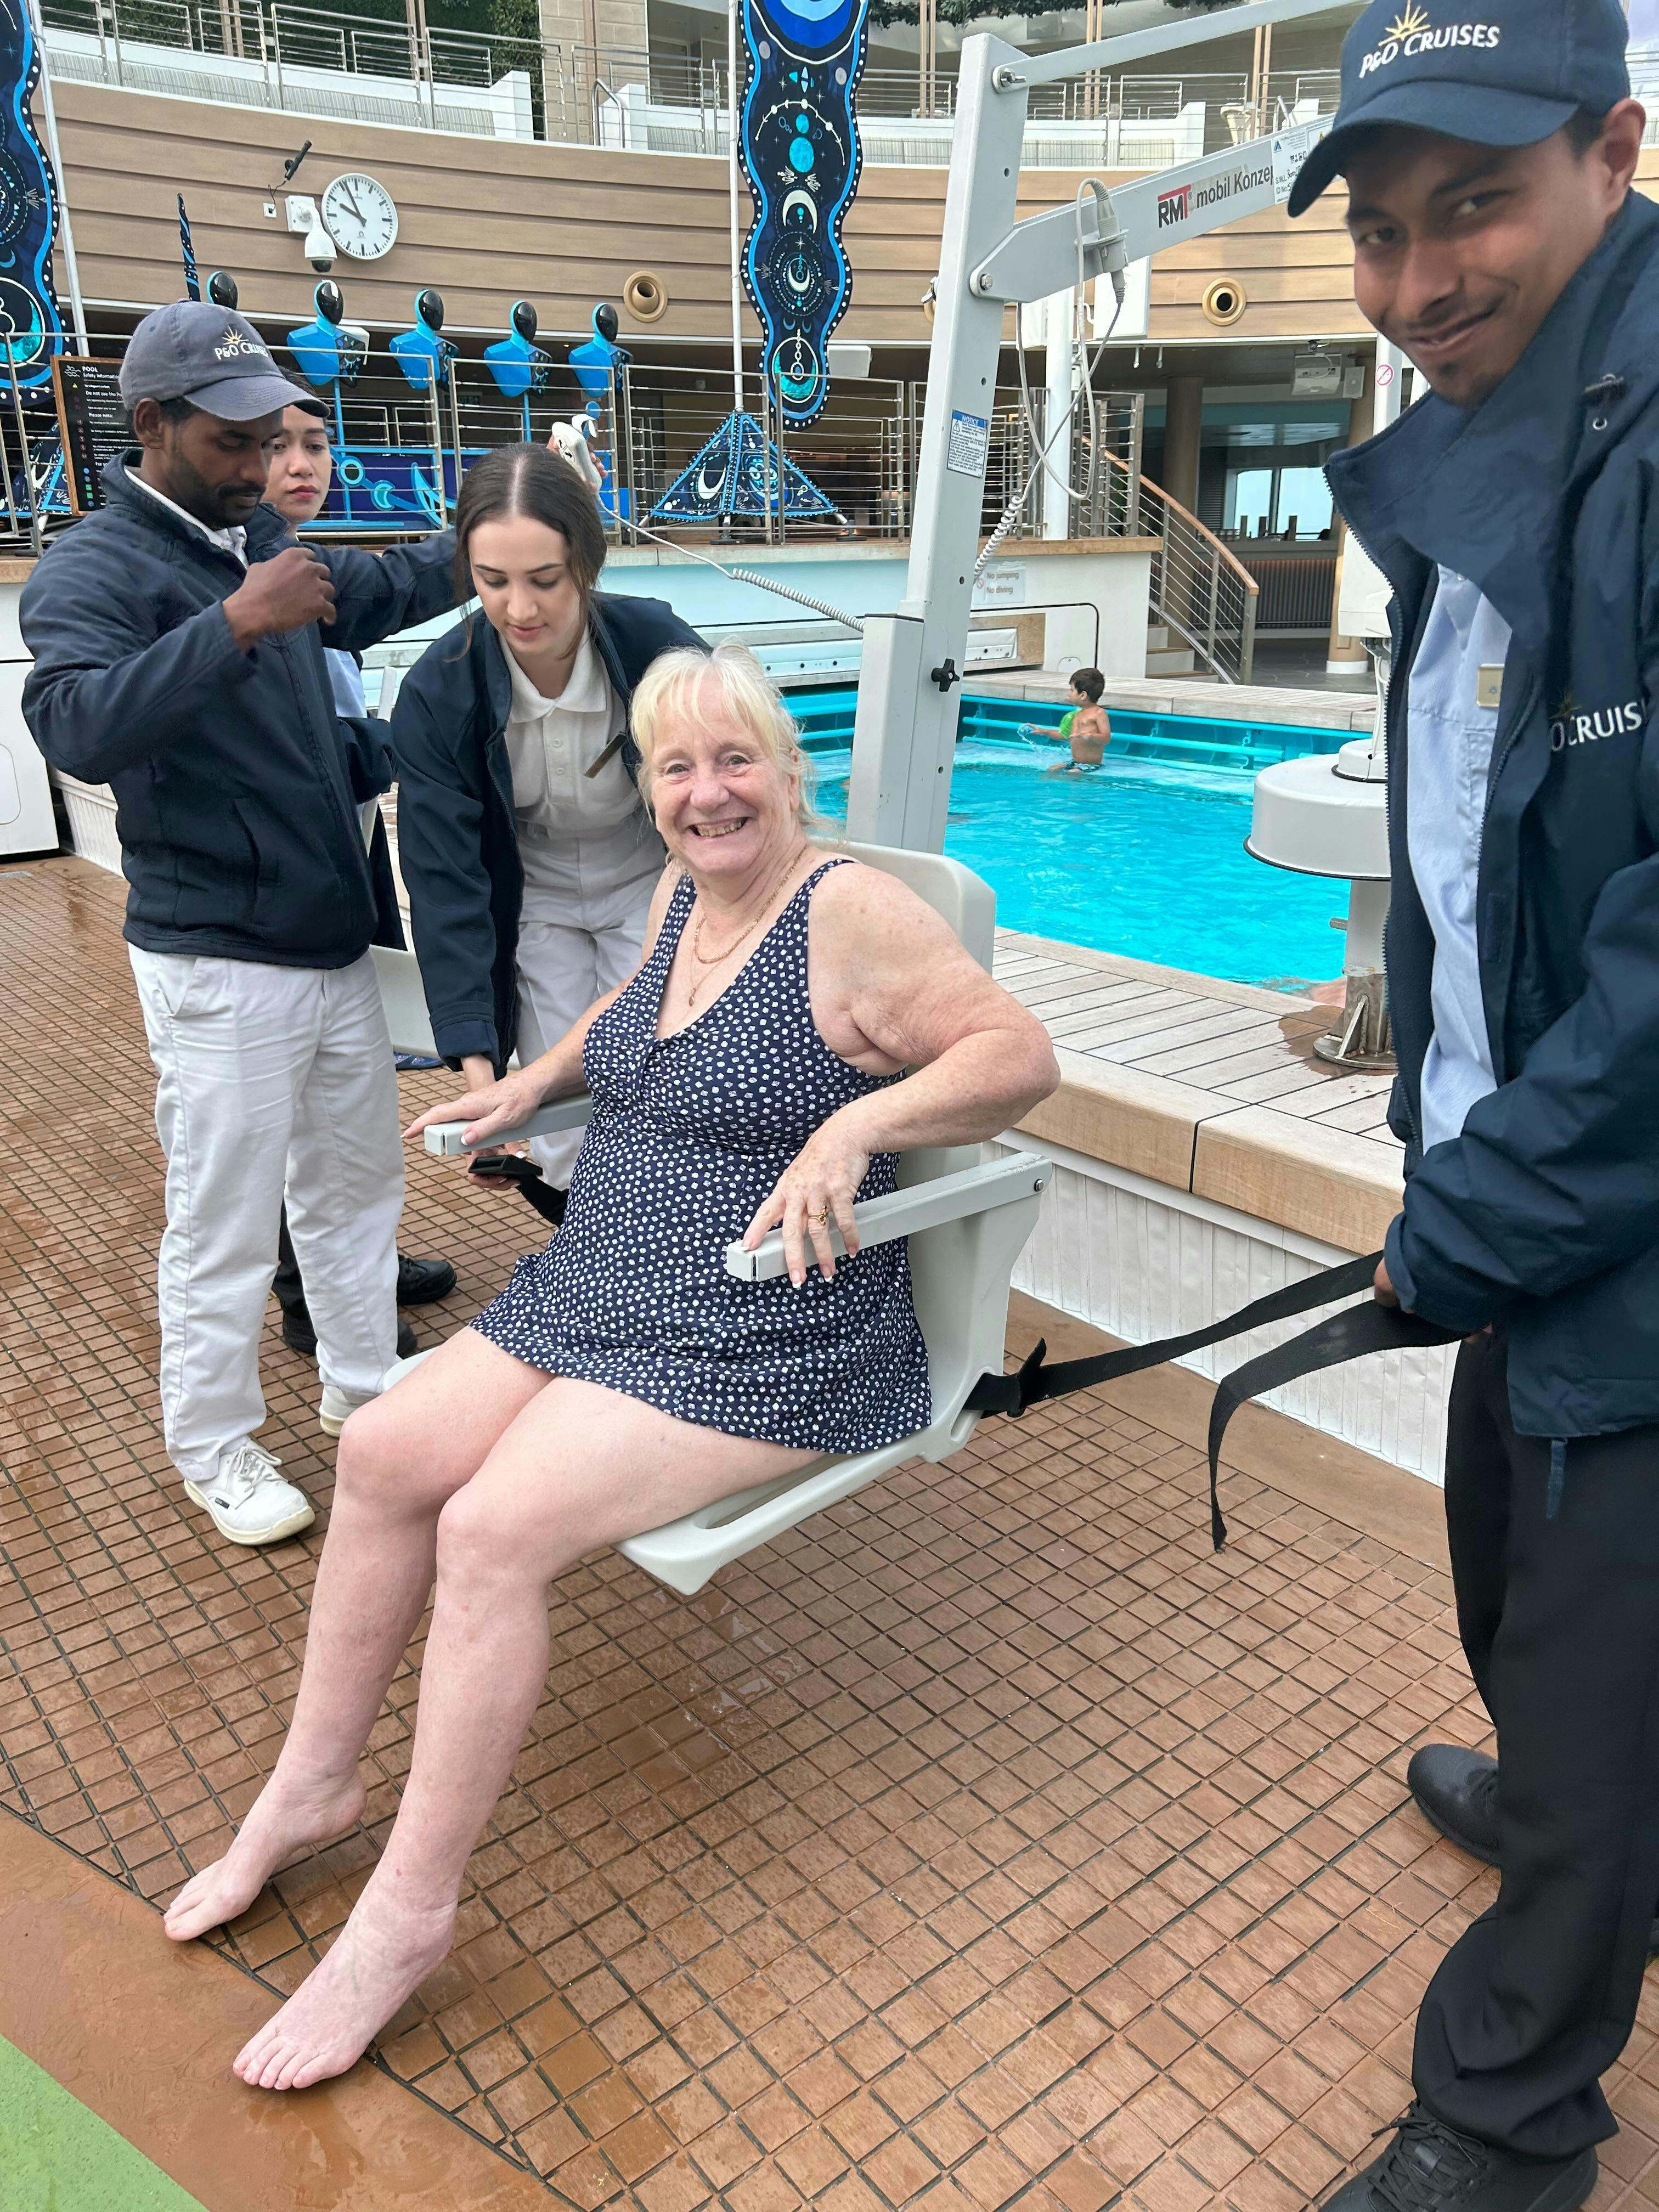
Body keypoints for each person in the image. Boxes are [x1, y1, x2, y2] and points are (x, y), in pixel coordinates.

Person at [159, 640, 1060, 2090]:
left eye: (734, 760)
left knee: (493, 1527)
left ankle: (409, 1913)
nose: (707, 794)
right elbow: (630, 1012)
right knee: (384, 1450)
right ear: (650, 792)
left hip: (766, 1329)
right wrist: (530, 1083)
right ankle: (316, 1785)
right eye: (675, 768)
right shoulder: (684, 897)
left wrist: (853, 1130)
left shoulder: (850, 914)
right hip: (601, 1285)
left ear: (788, 768)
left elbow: (1021, 1055)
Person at [1288, 4, 1659, 2207]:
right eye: (1387, 231)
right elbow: (1468, 833)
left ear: (1618, 143)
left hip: (1618, 1193)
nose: (1421, 284)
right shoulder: (1504, 425)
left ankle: (1510, 2125)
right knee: (1512, 1562)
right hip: (1526, 1168)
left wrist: (1491, 1186)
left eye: (1479, 210)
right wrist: (1458, 1150)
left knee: (1600, 1638)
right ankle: (1570, 1811)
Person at [21, 302, 462, 1549]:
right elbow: (75, 727)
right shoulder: (96, 570)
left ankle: (362, 1387)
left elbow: (369, 591)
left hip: (329, 945)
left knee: (353, 1189)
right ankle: (213, 1446)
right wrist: (233, 624)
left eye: (271, 438)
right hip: (216, 958)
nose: (263, 465)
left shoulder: (256, 537)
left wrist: (490, 528)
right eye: (233, 443)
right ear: (150, 424)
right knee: (222, 1220)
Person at [392, 443, 704, 1220]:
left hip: (649, 878)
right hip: (534, 894)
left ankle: (681, 1238)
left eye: (545, 581)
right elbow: (446, 885)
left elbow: (732, 786)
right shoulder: (441, 689)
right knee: (561, 1107)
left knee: (671, 1069)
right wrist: (480, 1082)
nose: (520, 610)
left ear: (587, 565)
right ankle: (587, 1247)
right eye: (493, 582)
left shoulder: (655, 645)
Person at [259, 405, 458, 1360]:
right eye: (274, 445)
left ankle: (357, 1270)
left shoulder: (305, 567)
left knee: (349, 1088)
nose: (302, 464)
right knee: (299, 1108)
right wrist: (412, 746)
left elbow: (404, 581)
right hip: (271, 899)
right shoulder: (248, 584)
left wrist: (504, 516)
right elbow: (315, 753)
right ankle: (312, 1300)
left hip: (346, 849)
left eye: (315, 444)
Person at [1035, 667, 1110, 771]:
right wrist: (1044, 731)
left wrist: (1089, 736)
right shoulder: (1076, 715)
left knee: (1073, 773)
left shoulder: (1099, 713)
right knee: (1052, 769)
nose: (1069, 693)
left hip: (1091, 764)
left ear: (1083, 695)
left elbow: (1106, 738)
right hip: (1075, 762)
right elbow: (1064, 735)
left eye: (1072, 690)